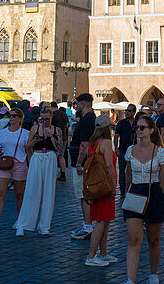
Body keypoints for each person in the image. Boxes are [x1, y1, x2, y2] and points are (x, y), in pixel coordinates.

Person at [122, 113, 164, 284]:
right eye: (137, 127)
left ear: (151, 130)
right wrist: (125, 192)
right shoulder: (130, 150)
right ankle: (130, 279)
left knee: (153, 239)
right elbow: (127, 174)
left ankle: (153, 273)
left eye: (142, 127)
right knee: (134, 238)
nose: (138, 130)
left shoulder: (159, 152)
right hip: (135, 193)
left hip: (154, 193)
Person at [15, 103, 63, 236]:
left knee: (48, 192)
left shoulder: (56, 130)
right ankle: (23, 224)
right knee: (31, 190)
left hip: (50, 157)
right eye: (42, 119)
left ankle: (44, 226)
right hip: (37, 157)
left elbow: (59, 149)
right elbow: (28, 146)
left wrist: (51, 136)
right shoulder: (34, 128)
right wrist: (35, 141)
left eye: (47, 119)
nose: (44, 121)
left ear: (51, 117)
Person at [84, 115, 118, 267]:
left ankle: (103, 253)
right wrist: (114, 185)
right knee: (101, 222)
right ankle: (91, 256)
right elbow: (110, 166)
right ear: (107, 128)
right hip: (105, 186)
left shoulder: (93, 143)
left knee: (105, 221)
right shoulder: (106, 142)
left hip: (96, 185)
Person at [0, 107, 28, 233]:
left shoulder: (25, 134)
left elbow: (28, 151)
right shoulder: (1, 133)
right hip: (4, 163)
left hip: (19, 164)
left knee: (19, 194)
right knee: (0, 192)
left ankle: (19, 220)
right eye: (10, 115)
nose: (11, 118)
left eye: (14, 116)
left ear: (20, 118)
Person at [69, 93, 97, 239]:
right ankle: (87, 224)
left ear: (83, 105)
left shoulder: (87, 120)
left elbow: (85, 144)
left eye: (77, 104)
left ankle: (88, 226)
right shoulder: (89, 118)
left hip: (82, 163)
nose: (76, 107)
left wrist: (80, 163)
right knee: (83, 194)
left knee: (83, 195)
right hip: (83, 162)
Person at [114, 104, 137, 193]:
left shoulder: (137, 123)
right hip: (123, 150)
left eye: (129, 111)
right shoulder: (121, 123)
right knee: (122, 170)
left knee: (133, 170)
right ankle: (122, 189)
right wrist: (116, 148)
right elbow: (116, 136)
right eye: (126, 111)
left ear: (134, 112)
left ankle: (132, 188)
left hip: (135, 151)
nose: (127, 112)